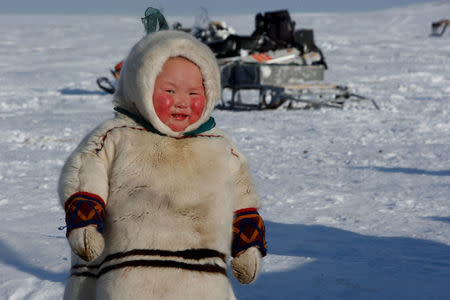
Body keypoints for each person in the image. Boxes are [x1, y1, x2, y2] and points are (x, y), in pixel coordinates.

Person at [59, 30, 267, 300]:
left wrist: (247, 245)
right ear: (141, 87)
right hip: (130, 277)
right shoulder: (118, 136)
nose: (183, 101)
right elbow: (86, 176)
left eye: (194, 92)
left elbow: (243, 199)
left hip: (203, 282)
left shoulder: (219, 148)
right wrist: (86, 226)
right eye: (170, 90)